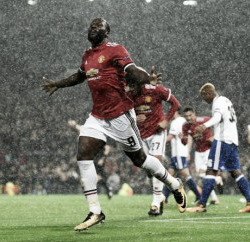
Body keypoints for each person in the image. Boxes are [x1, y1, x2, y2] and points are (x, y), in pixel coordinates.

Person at [41, 18, 187, 231]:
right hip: (98, 116)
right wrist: (58, 84)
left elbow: (132, 70)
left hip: (120, 115)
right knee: (83, 153)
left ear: (106, 32)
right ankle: (95, 211)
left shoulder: (116, 49)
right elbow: (80, 76)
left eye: (98, 26)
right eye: (91, 25)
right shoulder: (87, 55)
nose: (93, 27)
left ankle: (174, 184)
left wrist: (148, 79)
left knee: (141, 160)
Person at [186, 83, 250, 213]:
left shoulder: (217, 102)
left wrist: (204, 125)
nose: (204, 99)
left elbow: (217, 118)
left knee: (211, 171)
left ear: (209, 92)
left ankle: (202, 205)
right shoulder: (226, 100)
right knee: (236, 172)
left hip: (222, 140)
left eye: (204, 96)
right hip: (233, 141)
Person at [126, 75, 180, 216]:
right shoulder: (128, 95)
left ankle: (155, 203)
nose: (130, 87)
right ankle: (160, 196)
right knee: (149, 169)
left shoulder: (156, 90)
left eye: (132, 83)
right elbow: (123, 113)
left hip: (157, 131)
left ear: (139, 81)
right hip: (140, 134)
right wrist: (133, 118)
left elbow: (175, 104)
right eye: (128, 84)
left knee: (156, 161)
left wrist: (166, 121)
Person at [180, 107, 222, 205]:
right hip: (198, 152)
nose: (188, 118)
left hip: (208, 150)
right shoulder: (185, 126)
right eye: (186, 116)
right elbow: (185, 142)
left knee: (204, 173)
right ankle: (215, 198)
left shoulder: (204, 120)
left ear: (194, 114)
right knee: (203, 175)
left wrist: (215, 138)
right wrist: (182, 138)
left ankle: (216, 179)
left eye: (190, 115)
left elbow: (216, 123)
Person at [163, 108, 202, 205]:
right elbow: (190, 138)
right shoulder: (185, 122)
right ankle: (165, 198)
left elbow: (170, 137)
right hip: (180, 153)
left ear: (176, 112)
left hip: (178, 154)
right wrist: (187, 152)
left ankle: (199, 196)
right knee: (170, 175)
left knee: (185, 174)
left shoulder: (176, 122)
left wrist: (158, 142)